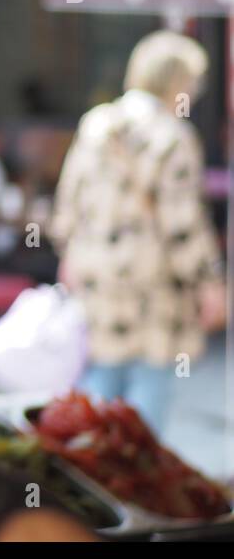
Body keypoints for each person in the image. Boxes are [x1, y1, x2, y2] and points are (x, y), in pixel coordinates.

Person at [50, 31, 225, 433]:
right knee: (150, 383)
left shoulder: (95, 124)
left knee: (99, 380)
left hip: (95, 273)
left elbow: (66, 205)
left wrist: (70, 256)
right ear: (178, 82)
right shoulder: (173, 136)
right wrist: (209, 281)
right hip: (152, 281)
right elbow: (182, 224)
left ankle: (87, 476)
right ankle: (133, 482)